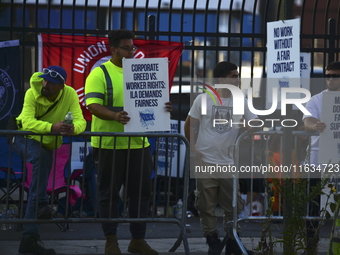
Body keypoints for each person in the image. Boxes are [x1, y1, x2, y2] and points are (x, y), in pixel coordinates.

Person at [84, 29, 171, 255]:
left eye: (133, 47)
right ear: (113, 49)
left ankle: (137, 240)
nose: (131, 51)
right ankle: (111, 240)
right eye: (126, 47)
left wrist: (163, 107)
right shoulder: (99, 73)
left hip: (138, 144)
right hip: (108, 144)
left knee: (141, 193)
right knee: (109, 194)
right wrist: (115, 116)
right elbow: (92, 105)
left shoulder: (141, 71)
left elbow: (151, 102)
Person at [184, 61, 258, 255]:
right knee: (205, 205)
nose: (238, 79)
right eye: (234, 75)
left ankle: (233, 240)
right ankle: (213, 241)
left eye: (238, 75)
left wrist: (249, 125)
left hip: (228, 162)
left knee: (232, 205)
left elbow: (255, 123)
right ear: (221, 79)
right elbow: (188, 125)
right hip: (205, 160)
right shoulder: (204, 98)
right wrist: (194, 150)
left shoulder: (241, 99)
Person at [13, 66, 86, 255]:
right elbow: (27, 122)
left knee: (42, 163)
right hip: (22, 137)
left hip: (46, 143)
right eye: (45, 80)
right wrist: (52, 127)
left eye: (51, 83)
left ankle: (29, 239)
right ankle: (42, 204)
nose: (45, 84)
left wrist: (73, 129)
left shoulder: (69, 94)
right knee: (41, 157)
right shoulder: (32, 91)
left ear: (61, 86)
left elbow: (80, 121)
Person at [303, 61, 340, 255]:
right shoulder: (317, 99)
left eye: (335, 76)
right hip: (317, 158)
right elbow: (307, 122)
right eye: (328, 75)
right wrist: (315, 126)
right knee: (313, 205)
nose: (331, 79)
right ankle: (311, 244)